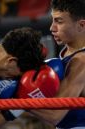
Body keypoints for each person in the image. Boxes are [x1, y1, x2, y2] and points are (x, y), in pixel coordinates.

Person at [24, 0, 85, 129]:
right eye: (53, 20)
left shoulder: (81, 61)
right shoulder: (66, 54)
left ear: (81, 25)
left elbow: (55, 115)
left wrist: (17, 99)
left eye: (59, 21)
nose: (52, 28)